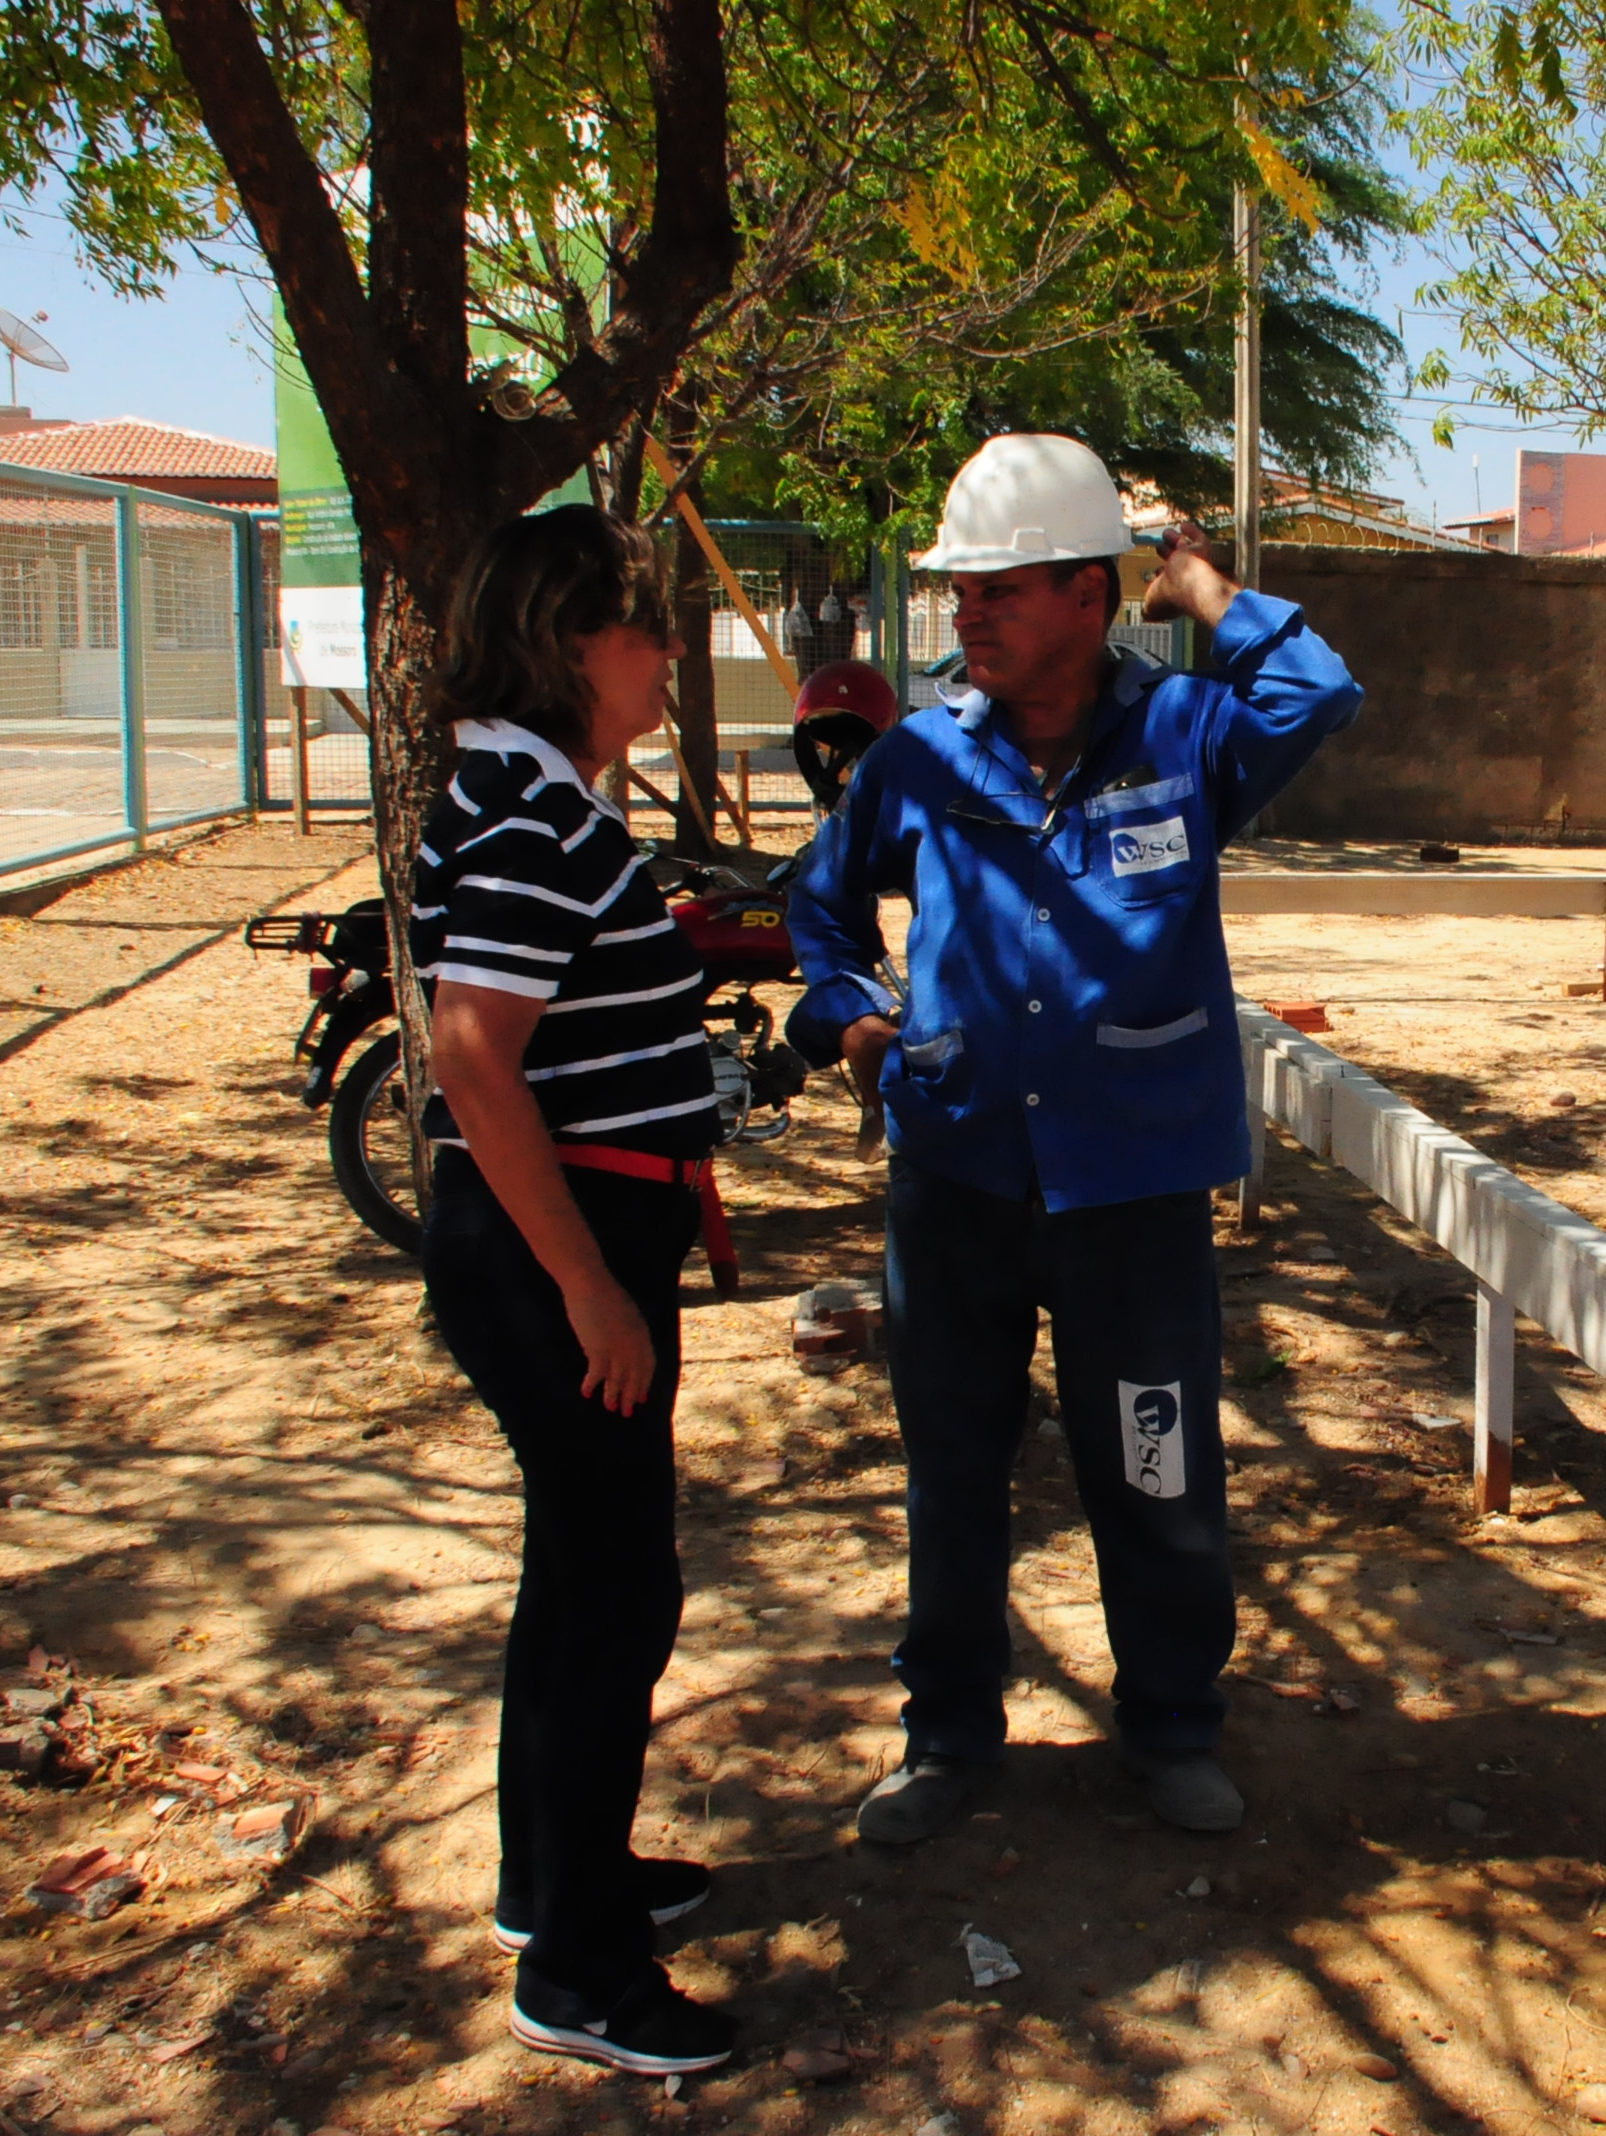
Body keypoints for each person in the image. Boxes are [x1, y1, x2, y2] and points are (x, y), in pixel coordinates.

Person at [786, 434, 1363, 1844]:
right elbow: (818, 911)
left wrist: (1204, 586)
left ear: (1092, 595)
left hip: (1136, 1191)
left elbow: (1317, 691)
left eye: (1001, 589)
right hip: (959, 1178)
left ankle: (1171, 1725)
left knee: (1155, 1460)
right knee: (954, 1463)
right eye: (962, 591)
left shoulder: (1184, 737)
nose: (968, 615)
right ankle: (947, 1737)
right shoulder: (918, 762)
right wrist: (851, 1022)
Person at [412, 505, 737, 2076]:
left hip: (589, 1234)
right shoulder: (527, 812)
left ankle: (556, 1884)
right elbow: (475, 1056)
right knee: (618, 1596)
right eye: (646, 625)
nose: (667, 650)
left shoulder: (528, 793)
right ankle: (584, 1977)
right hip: (560, 1256)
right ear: (572, 642)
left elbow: (580, 1037)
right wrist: (591, 1291)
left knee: (584, 1573)